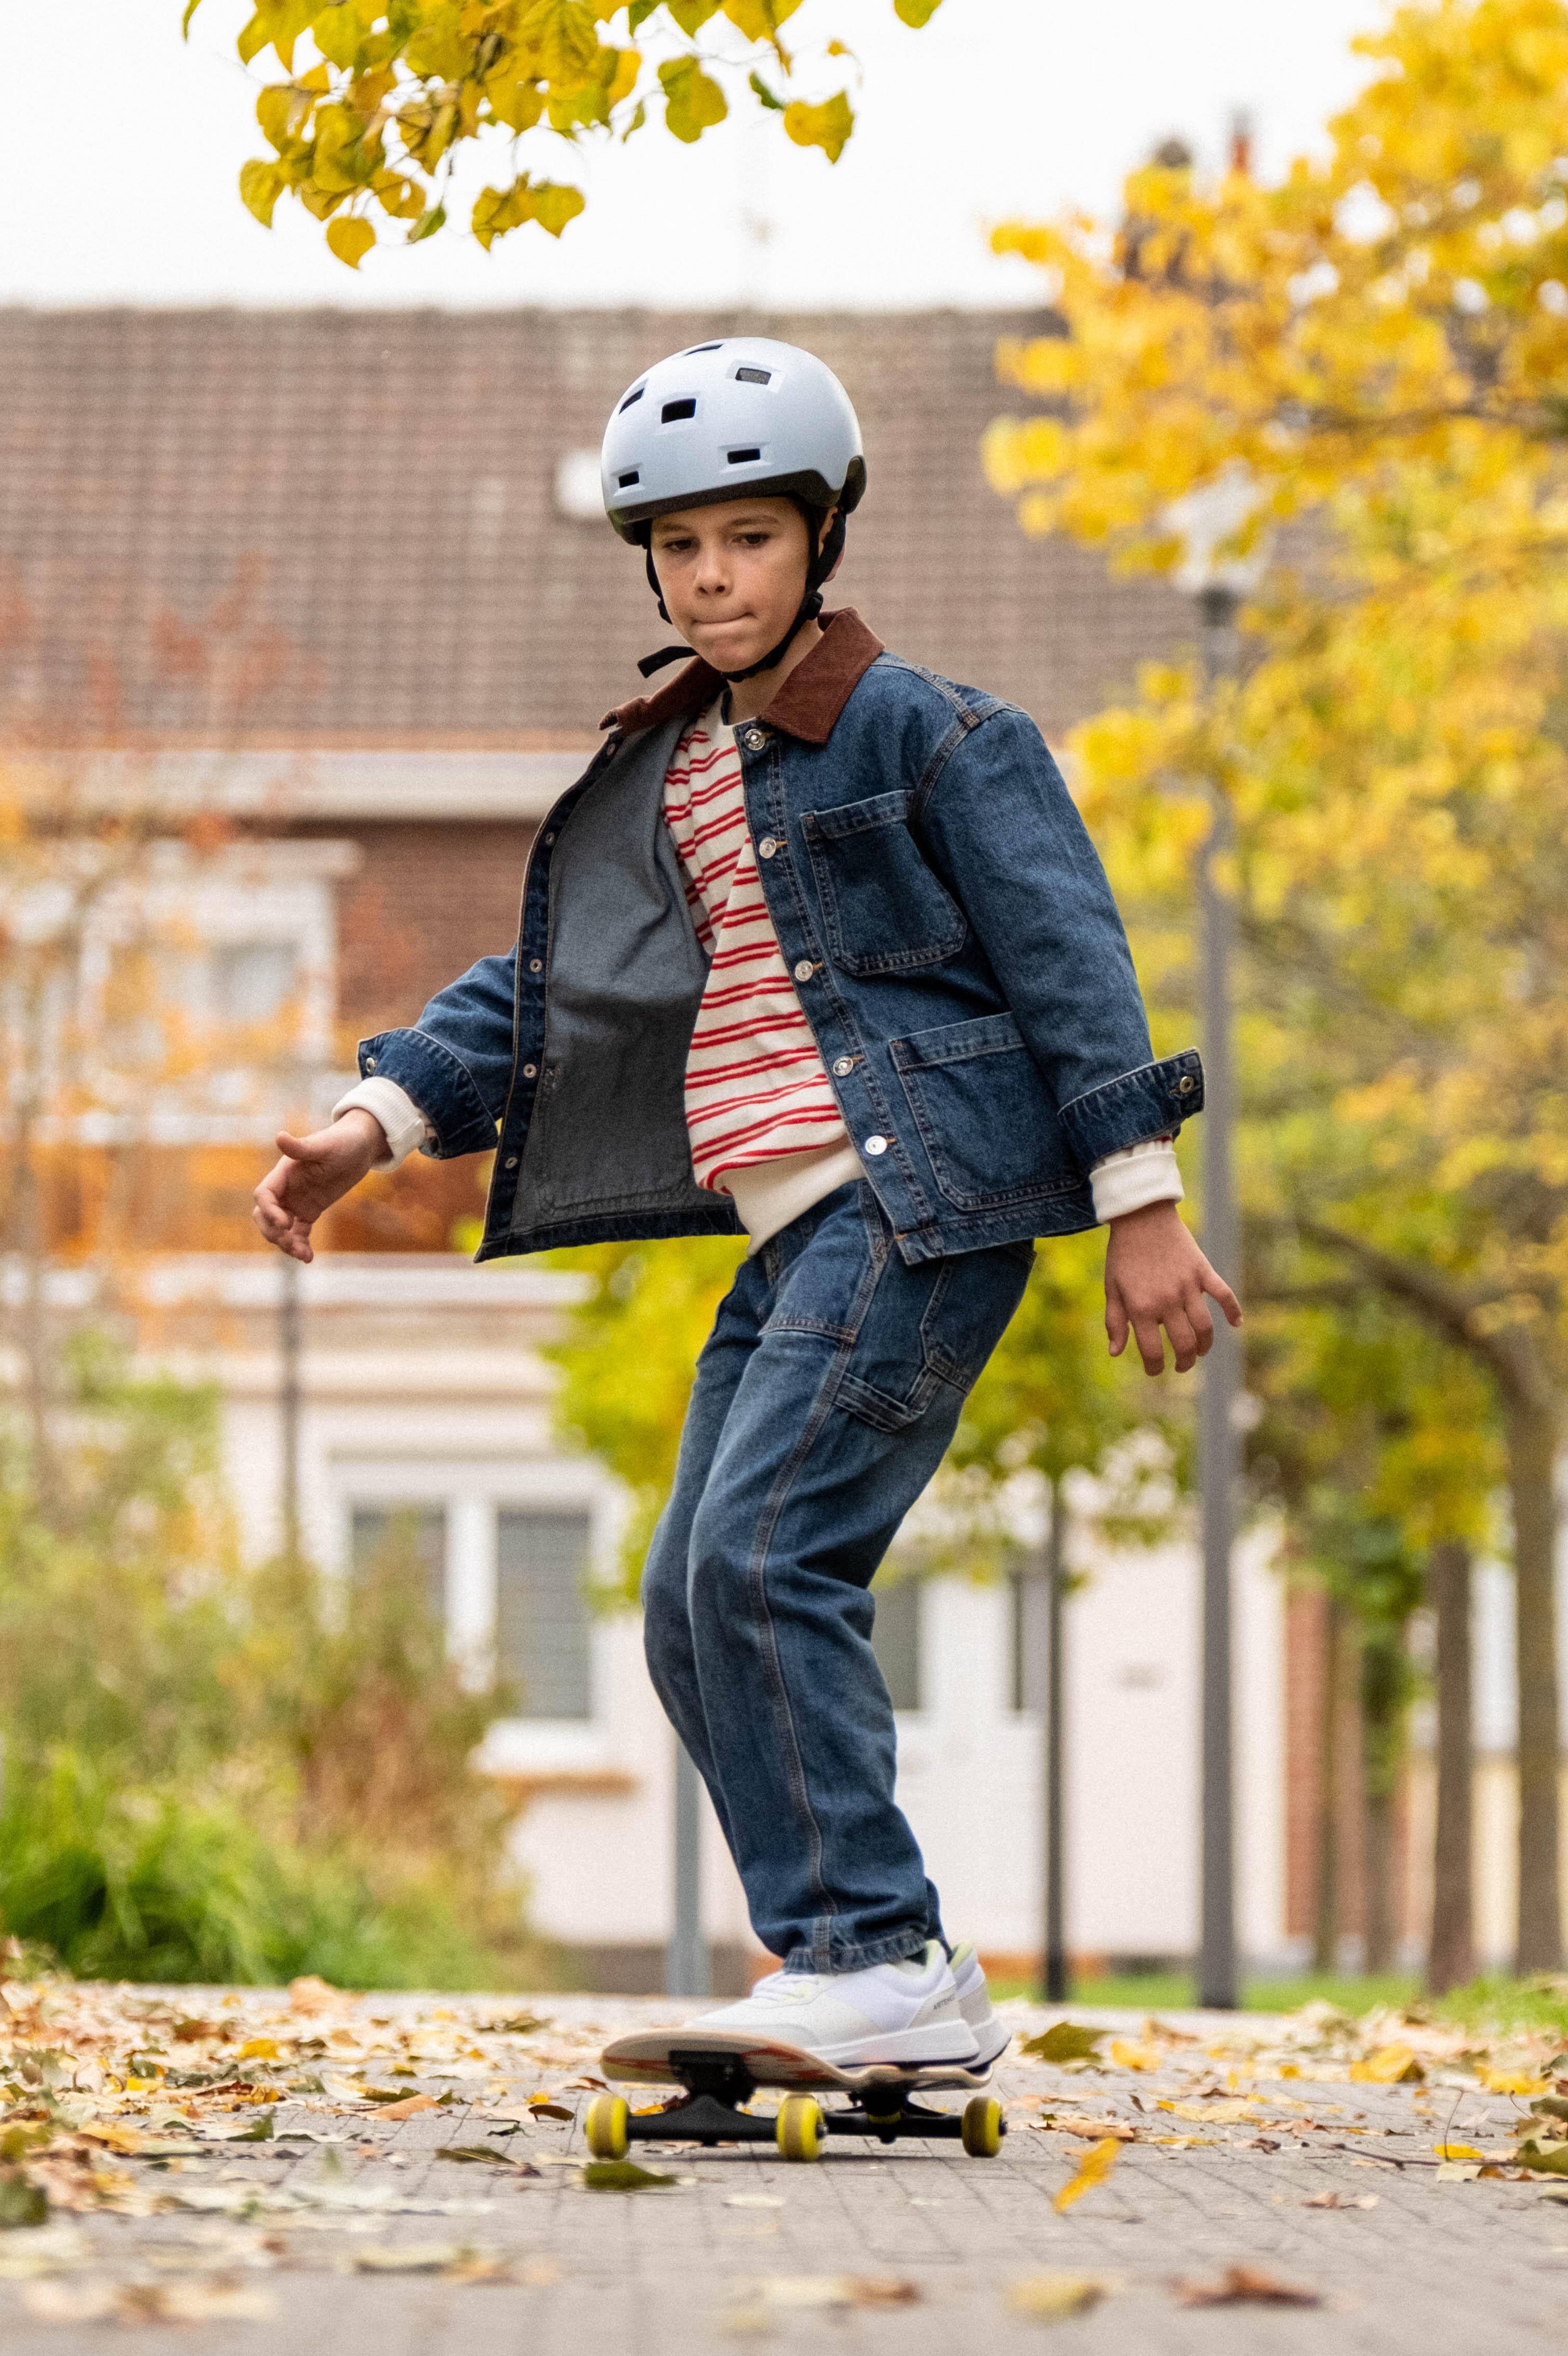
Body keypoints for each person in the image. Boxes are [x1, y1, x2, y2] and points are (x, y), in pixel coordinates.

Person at [252, 337, 1240, 2074]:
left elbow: (1071, 958)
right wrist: (379, 1115)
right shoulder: (679, 770)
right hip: (796, 1235)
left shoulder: (932, 735)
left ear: (821, 539)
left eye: (750, 542)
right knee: (685, 1599)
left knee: (767, 1556)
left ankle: (881, 1958)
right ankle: (856, 1969)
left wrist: (1139, 1200)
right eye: (681, 549)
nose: (713, 579)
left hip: (914, 1205)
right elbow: (559, 995)